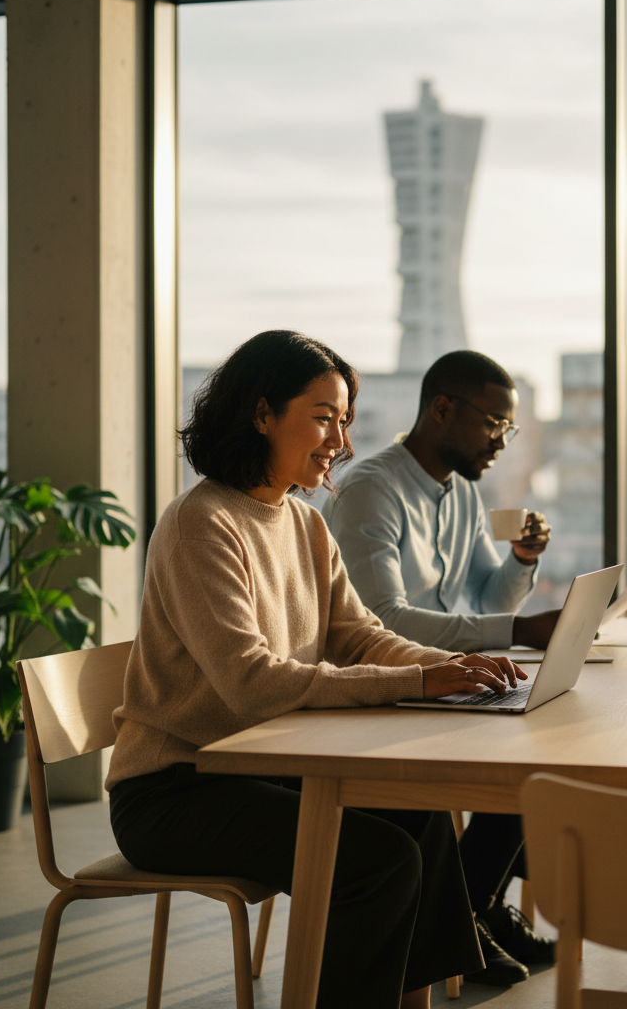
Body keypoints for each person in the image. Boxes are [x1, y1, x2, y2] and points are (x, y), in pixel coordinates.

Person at [106, 331, 523, 1009]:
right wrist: (419, 681)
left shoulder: (304, 524)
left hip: (261, 768)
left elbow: (360, 635)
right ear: (261, 413)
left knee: (418, 820)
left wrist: (453, 667)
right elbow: (251, 682)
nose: (341, 442)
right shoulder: (201, 524)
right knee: (378, 863)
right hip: (175, 790)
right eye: (325, 417)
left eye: (346, 421)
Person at [322, 350, 558, 986]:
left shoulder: (460, 495)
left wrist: (522, 563)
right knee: (522, 758)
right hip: (385, 690)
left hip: (445, 678)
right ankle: (471, 916)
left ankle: (474, 910)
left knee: (539, 740)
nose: (502, 443)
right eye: (493, 425)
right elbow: (382, 624)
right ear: (442, 409)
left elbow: (486, 596)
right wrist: (520, 630)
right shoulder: (372, 490)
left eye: (509, 430)